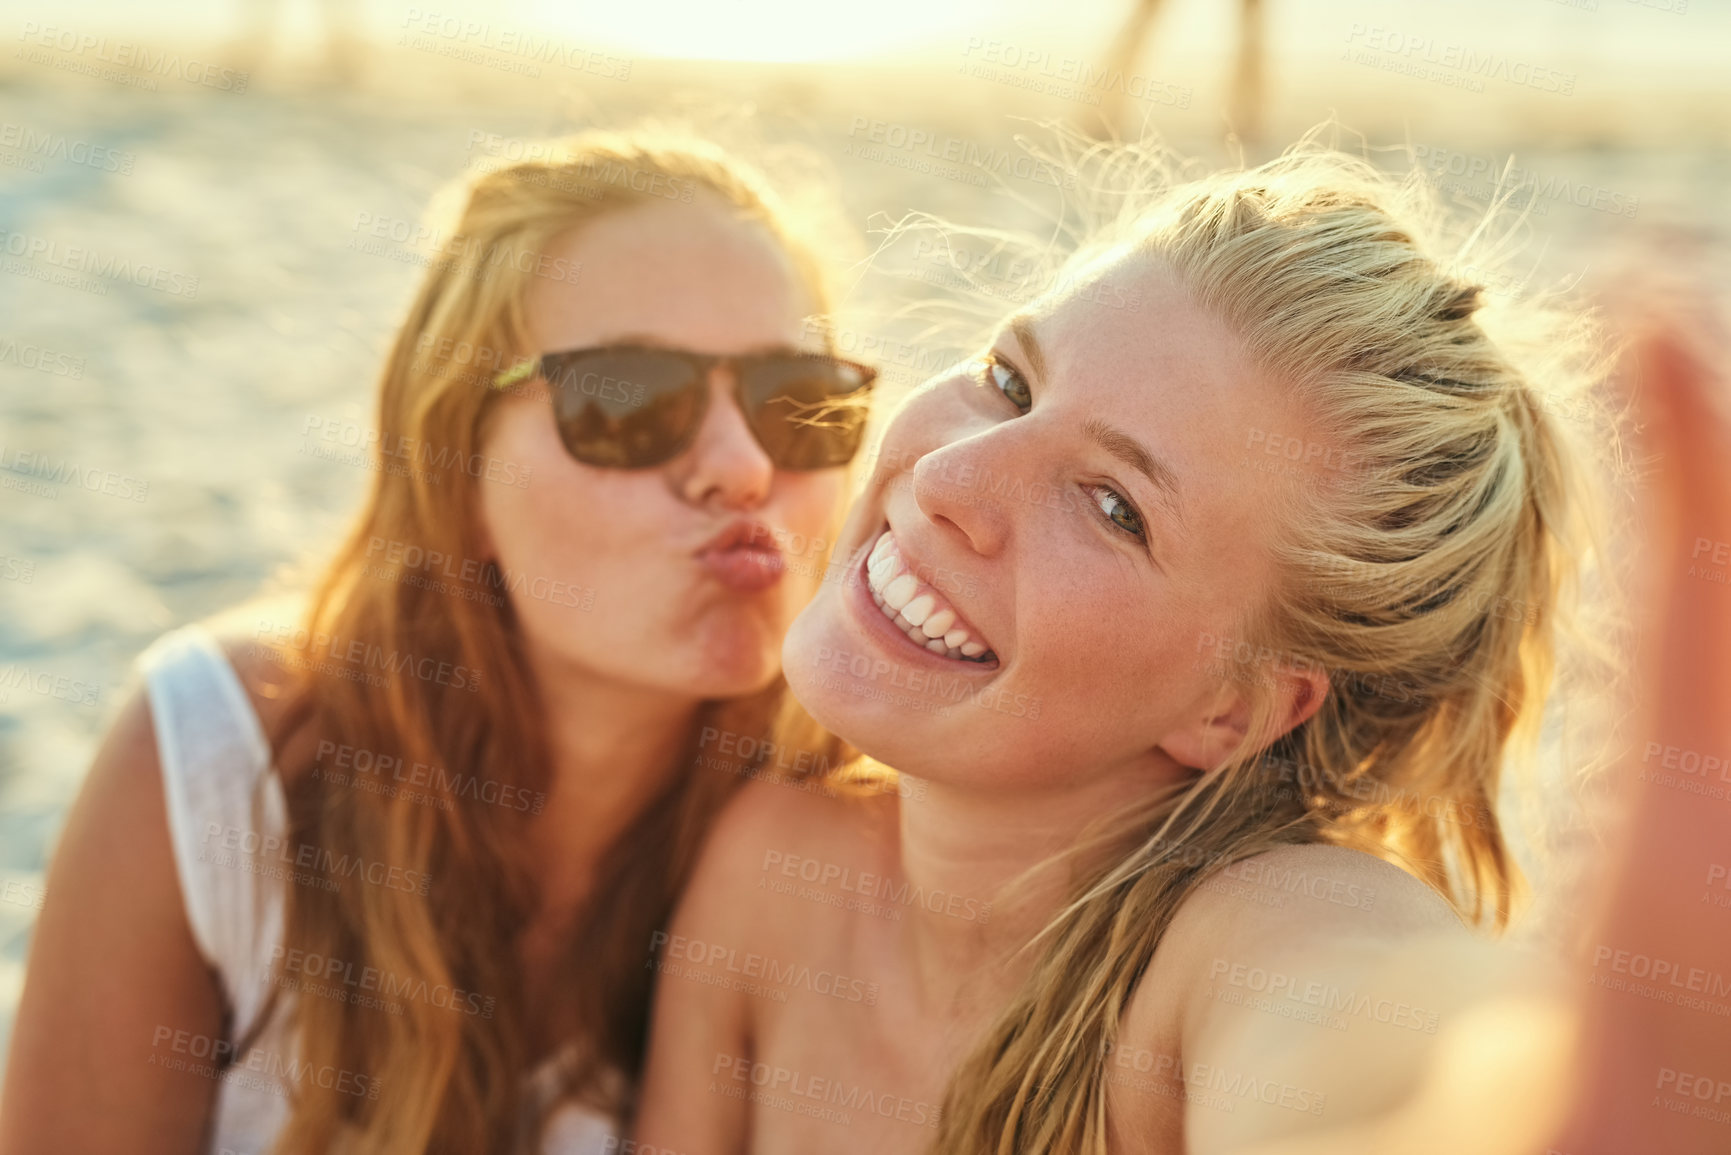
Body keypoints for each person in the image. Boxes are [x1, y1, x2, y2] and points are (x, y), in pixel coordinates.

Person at [632, 139, 1624, 1153]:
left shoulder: (1233, 951)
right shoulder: (777, 872)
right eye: (1010, 383)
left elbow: (1355, 1034)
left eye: (1114, 506)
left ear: (1235, 708)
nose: (947, 481)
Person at [0, 129, 873, 1155]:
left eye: (798, 402)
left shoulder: (861, 842)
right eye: (629, 400)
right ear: (458, 474)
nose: (741, 468)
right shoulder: (223, 759)